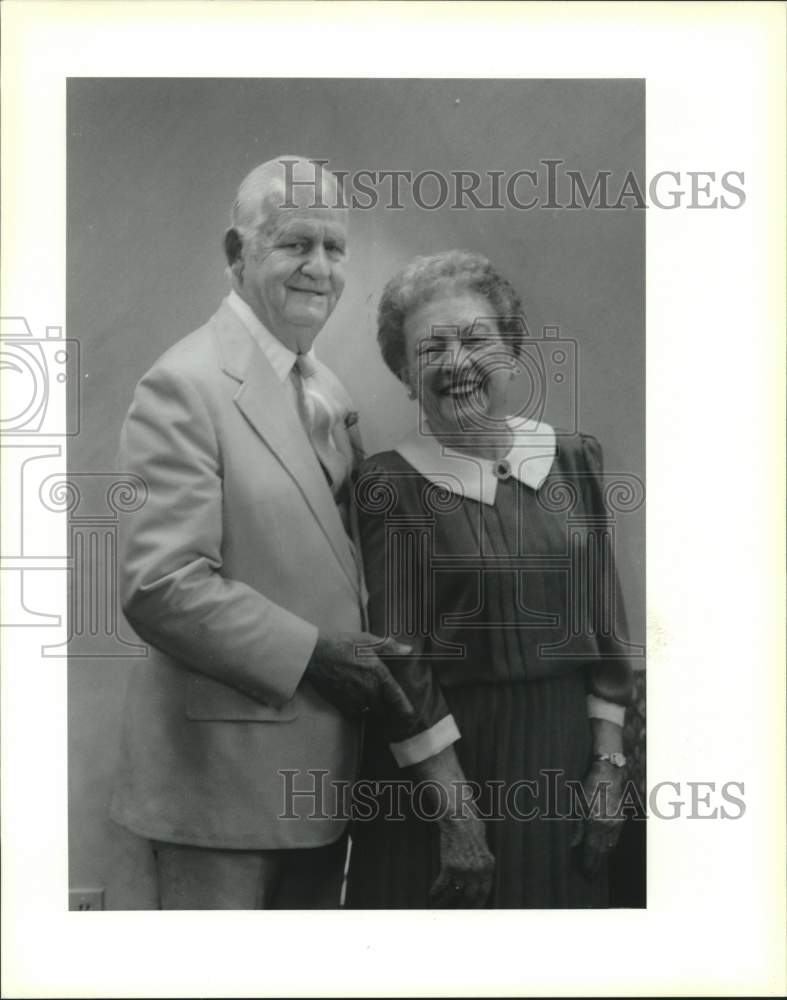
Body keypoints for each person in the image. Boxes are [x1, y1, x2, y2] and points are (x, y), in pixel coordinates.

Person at [109, 156, 430, 909]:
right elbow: (160, 587)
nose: (320, 268)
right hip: (218, 790)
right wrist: (316, 654)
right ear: (235, 254)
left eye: (334, 248)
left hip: (322, 782)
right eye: (294, 244)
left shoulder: (324, 387)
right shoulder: (182, 384)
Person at [345, 250, 635, 908]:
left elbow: (607, 632)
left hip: (566, 764)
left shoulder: (571, 460)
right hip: (443, 775)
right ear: (403, 372)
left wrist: (609, 765)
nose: (456, 363)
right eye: (430, 348)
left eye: (476, 339)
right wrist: (455, 814)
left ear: (510, 353)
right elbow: (401, 663)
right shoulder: (389, 485)